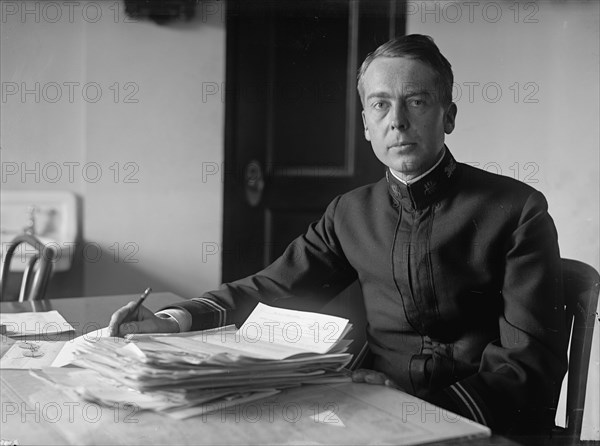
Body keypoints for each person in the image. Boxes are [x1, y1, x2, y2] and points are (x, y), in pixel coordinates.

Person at [109, 34, 567, 435]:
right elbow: (272, 287)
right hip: (370, 411)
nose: (398, 121)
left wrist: (419, 411)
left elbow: (528, 367)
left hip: (483, 421)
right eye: (381, 104)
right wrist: (172, 321)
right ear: (366, 124)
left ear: (448, 116)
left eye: (417, 102)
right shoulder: (350, 213)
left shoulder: (517, 210)